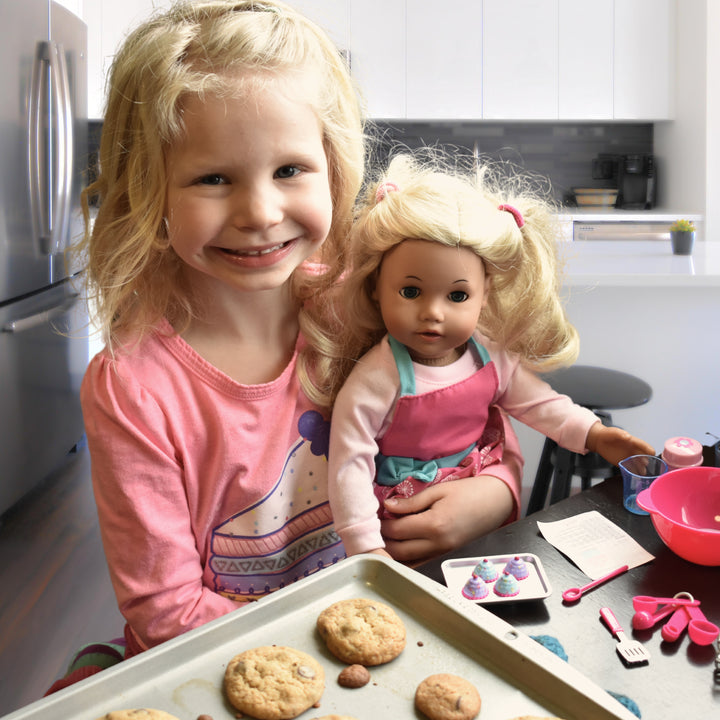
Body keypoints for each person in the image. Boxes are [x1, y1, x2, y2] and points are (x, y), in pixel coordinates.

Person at [70, 0, 523, 675]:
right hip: (223, 670)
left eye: (289, 170)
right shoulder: (135, 389)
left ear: (333, 169)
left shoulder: (367, 312)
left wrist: (498, 491)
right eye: (213, 178)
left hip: (390, 651)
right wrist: (329, 651)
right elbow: (168, 616)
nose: (259, 212)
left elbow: (479, 428)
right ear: (151, 195)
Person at [327, 153, 655, 557]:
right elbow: (350, 462)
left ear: (484, 298)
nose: (433, 312)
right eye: (410, 292)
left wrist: (595, 434)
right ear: (376, 287)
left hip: (480, 498)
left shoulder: (490, 357)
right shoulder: (378, 377)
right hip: (400, 514)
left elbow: (541, 405)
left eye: (458, 295)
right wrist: (364, 547)